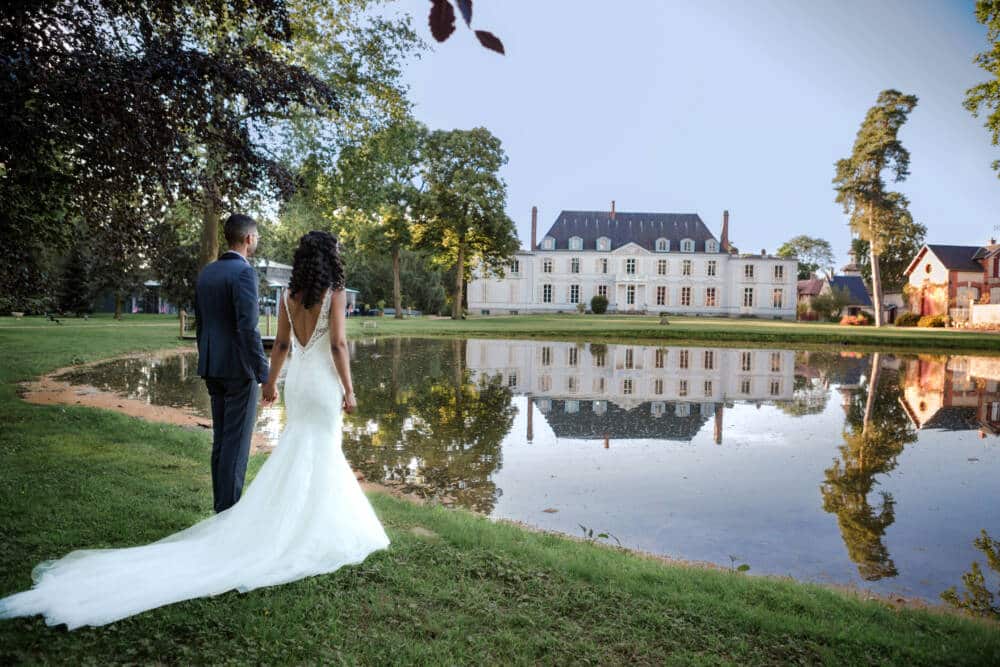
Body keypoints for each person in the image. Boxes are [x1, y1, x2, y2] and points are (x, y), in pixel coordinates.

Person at [0, 230, 390, 629]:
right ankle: (315, 529)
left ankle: (303, 522)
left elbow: (282, 347)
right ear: (330, 257)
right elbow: (339, 345)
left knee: (301, 448)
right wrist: (350, 388)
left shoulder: (289, 296)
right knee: (321, 449)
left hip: (300, 382)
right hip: (322, 383)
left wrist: (272, 383)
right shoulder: (335, 292)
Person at [194, 213, 269, 513]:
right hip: (239, 369)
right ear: (249, 238)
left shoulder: (207, 273)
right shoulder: (244, 273)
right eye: (257, 235)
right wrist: (264, 372)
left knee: (221, 440)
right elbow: (248, 328)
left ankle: (220, 508)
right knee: (236, 445)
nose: (257, 239)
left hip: (212, 365)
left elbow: (201, 324)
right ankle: (229, 514)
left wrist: (207, 357)